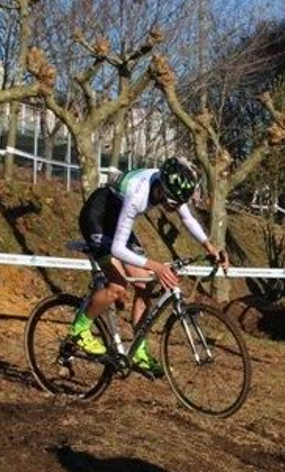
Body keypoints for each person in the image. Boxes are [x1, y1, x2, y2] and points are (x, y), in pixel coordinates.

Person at [69, 159, 226, 376]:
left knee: (144, 284)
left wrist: (210, 247)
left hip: (117, 219)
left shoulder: (170, 186)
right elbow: (117, 249)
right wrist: (157, 267)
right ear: (161, 190)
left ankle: (139, 351)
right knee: (118, 285)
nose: (173, 208)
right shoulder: (138, 195)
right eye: (172, 203)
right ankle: (79, 329)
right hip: (97, 218)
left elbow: (187, 218)